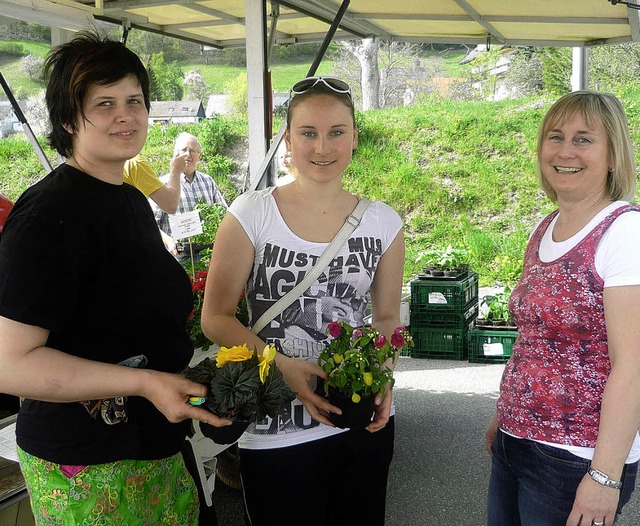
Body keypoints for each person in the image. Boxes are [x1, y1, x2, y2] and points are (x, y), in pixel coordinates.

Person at [0, 31, 230, 524]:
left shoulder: (127, 196)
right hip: (86, 465)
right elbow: (10, 365)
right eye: (103, 103)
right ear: (67, 119)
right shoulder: (48, 216)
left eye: (134, 101)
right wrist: (145, 382)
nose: (125, 115)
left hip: (152, 444)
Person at [201, 76, 405, 526]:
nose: (323, 147)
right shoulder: (251, 212)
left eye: (337, 132)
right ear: (288, 138)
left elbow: (387, 317)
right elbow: (215, 318)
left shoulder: (383, 222)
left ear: (354, 136)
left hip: (358, 422)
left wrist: (384, 377)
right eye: (308, 133)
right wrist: (280, 364)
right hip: (275, 429)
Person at [485, 91, 640, 526]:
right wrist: (505, 417)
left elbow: (633, 368)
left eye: (583, 139)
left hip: (575, 459)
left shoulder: (626, 232)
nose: (565, 151)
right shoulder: (545, 226)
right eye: (555, 137)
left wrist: (605, 477)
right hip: (515, 442)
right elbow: (533, 339)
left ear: (613, 155)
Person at [151, 132, 228, 257]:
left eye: (192, 150)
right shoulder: (163, 183)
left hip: (207, 251)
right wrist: (168, 241)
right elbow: (150, 222)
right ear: (175, 154)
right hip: (177, 252)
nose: (188, 154)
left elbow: (224, 214)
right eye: (184, 150)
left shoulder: (208, 181)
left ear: (199, 155)